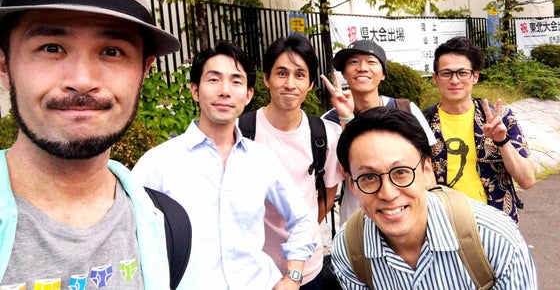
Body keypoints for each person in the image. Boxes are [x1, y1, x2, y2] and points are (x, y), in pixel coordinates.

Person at [0, 0, 189, 289]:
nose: (83, 81)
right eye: (51, 47)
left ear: (144, 72)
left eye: (112, 51)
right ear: (4, 66)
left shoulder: (168, 227)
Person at [132, 41, 318, 289]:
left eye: (236, 81)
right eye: (214, 79)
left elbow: (303, 219)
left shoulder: (261, 160)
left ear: (248, 95)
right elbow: (127, 233)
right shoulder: (158, 163)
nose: (225, 91)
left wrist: (293, 277)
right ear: (195, 90)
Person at [330, 107, 537, 289]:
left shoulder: (496, 239)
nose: (388, 193)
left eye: (401, 172)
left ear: (427, 170)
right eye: (368, 177)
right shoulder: (349, 248)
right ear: (352, 185)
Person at [242, 34, 343, 288]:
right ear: (266, 79)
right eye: (281, 73)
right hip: (253, 269)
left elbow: (327, 196)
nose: (290, 84)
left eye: (300, 75)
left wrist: (302, 233)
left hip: (308, 267)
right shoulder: (241, 132)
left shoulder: (325, 135)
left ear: (310, 84)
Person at [321, 40, 436, 224]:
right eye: (353, 62)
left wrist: (432, 216)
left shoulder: (405, 109)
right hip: (357, 221)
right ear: (344, 74)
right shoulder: (329, 121)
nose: (362, 68)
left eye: (371, 62)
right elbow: (344, 172)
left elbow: (428, 167)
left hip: (407, 216)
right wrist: (346, 118)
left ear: (383, 74)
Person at [424, 36, 536, 222]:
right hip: (445, 223)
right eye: (446, 73)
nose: (454, 80)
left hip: (498, 223)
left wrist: (502, 141)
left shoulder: (500, 118)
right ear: (435, 78)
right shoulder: (423, 122)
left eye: (462, 73)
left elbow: (527, 180)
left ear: (475, 76)